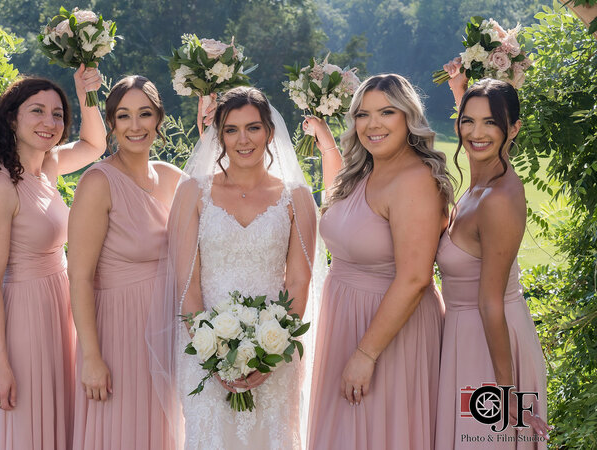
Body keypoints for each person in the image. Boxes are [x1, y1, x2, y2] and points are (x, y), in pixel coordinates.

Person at [151, 86, 322, 449]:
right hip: (204, 348)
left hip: (275, 352)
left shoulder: (298, 198)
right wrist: (212, 354)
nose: (243, 140)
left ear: (270, 132)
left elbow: (298, 280)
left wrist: (269, 354)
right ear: (219, 135)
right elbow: (187, 283)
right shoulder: (193, 193)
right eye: (231, 129)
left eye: (253, 128)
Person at [305, 74, 454, 449]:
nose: (373, 124)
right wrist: (325, 141)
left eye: (386, 112)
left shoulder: (415, 180)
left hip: (388, 332)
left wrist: (365, 354)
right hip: (345, 320)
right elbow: (345, 218)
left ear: (408, 117)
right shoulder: (364, 173)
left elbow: (415, 278)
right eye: (363, 114)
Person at [0, 66, 105, 449]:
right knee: (30, 429)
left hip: (60, 307)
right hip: (25, 319)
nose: (50, 121)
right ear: (12, 118)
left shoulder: (47, 168)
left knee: (61, 421)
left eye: (57, 114)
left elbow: (95, 146)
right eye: (37, 111)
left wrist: (85, 92)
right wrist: (1, 365)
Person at [435, 62, 550, 448]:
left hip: (491, 342)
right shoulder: (480, 179)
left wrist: (506, 390)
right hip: (464, 336)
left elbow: (489, 302)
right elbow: (476, 142)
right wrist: (459, 89)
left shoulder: (499, 199)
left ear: (513, 128)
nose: (476, 133)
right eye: (468, 121)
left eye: (491, 123)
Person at [68, 75, 182, 449]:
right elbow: (79, 277)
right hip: (120, 336)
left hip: (169, 334)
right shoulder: (97, 182)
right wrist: (91, 357)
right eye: (124, 116)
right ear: (112, 124)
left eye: (144, 114)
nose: (135, 126)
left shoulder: (171, 178)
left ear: (158, 120)